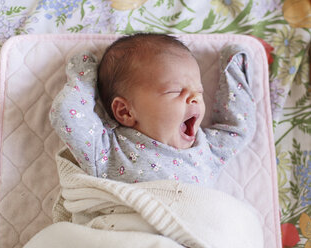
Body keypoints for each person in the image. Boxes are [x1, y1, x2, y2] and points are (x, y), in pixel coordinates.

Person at [49, 33, 256, 186]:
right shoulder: (108, 149)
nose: (194, 97)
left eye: (199, 91)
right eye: (175, 91)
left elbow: (237, 128)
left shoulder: (208, 150)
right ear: (125, 112)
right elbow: (68, 114)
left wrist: (235, 70)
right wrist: (84, 74)